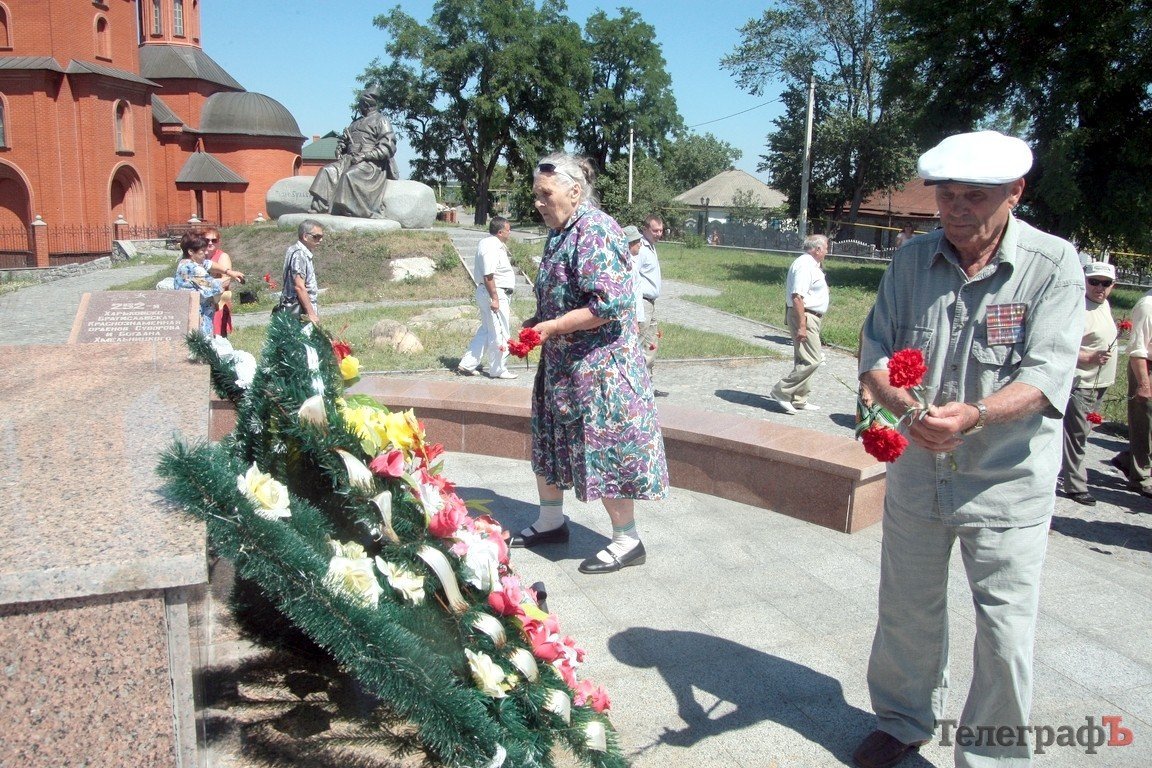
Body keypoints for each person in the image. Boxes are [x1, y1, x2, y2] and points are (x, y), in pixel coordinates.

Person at [854, 130, 1084, 768]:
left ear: (1015, 193)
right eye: (946, 195)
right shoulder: (910, 260)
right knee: (906, 615)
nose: (956, 210)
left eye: (974, 197)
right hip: (918, 476)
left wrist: (977, 415)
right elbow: (875, 352)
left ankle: (992, 756)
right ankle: (902, 722)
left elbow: (1048, 375)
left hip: (1005, 483)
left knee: (1005, 633)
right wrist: (909, 411)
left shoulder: (1053, 264)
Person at [509, 152, 668, 575]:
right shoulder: (560, 231)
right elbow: (563, 294)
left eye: (546, 194)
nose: (538, 203)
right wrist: (537, 323)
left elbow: (609, 303)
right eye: (536, 195)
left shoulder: (595, 229)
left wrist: (553, 326)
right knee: (551, 441)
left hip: (600, 371)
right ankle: (551, 521)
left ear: (575, 191)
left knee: (608, 451)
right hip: (564, 366)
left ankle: (628, 540)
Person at [1061, 262, 1118, 506]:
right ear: (1084, 281)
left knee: (1084, 431)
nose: (1099, 287)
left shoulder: (1104, 305)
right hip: (1082, 381)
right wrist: (1086, 357)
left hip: (1100, 381)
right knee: (1077, 434)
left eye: (1105, 283)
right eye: (1094, 281)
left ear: (1113, 285)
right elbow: (1059, 345)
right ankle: (1075, 484)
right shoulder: (1077, 307)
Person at [309, 85, 399, 219]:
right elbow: (345, 143)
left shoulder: (381, 120)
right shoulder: (355, 123)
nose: (359, 107)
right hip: (349, 159)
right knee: (327, 170)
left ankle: (348, 209)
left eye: (360, 104)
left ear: (366, 104)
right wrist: (341, 147)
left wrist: (365, 156)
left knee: (349, 175)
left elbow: (388, 147)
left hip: (371, 163)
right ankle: (320, 206)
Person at [769, 234, 830, 414]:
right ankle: (782, 391)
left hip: (810, 316)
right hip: (805, 316)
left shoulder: (812, 265)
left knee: (803, 358)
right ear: (817, 249)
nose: (827, 251)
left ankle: (799, 398)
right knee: (813, 359)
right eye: (826, 248)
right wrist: (802, 325)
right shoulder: (804, 265)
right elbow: (797, 297)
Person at [458, 216, 517, 379]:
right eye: (508, 230)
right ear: (500, 232)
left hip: (489, 292)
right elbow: (488, 275)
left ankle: (468, 363)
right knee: (500, 332)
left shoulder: (490, 244)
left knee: (486, 330)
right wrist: (495, 298)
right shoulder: (492, 246)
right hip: (494, 292)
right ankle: (498, 369)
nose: (510, 232)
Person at [1113, 285, 1152, 498]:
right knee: (1144, 425)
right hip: (1146, 368)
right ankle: (1141, 479)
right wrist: (1144, 385)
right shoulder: (1147, 306)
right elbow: (1137, 350)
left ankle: (1128, 460)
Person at [174, 231, 230, 336]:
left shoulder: (184, 262)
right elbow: (213, 285)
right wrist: (227, 279)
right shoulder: (193, 268)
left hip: (186, 312)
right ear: (191, 252)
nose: (206, 253)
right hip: (198, 316)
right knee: (202, 342)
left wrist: (228, 271)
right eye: (203, 251)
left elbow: (208, 264)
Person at [636, 214, 666, 396]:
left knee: (651, 344)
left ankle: (648, 386)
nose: (659, 234)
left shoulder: (651, 247)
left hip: (651, 303)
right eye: (655, 230)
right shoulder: (640, 248)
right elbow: (633, 275)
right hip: (642, 302)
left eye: (661, 230)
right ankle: (635, 386)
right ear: (645, 229)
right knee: (639, 343)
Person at [277, 220, 324, 325]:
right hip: (299, 309)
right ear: (305, 236)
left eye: (321, 236)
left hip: (295, 307)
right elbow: (299, 286)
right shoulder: (299, 254)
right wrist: (311, 313)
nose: (320, 240)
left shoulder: (294, 249)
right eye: (316, 236)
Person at [202, 227, 245, 337]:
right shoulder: (200, 256)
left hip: (218, 301)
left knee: (217, 335)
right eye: (207, 240)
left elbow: (226, 281)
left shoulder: (223, 256)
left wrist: (203, 284)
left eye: (214, 240)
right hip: (203, 301)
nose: (210, 243)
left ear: (218, 242)